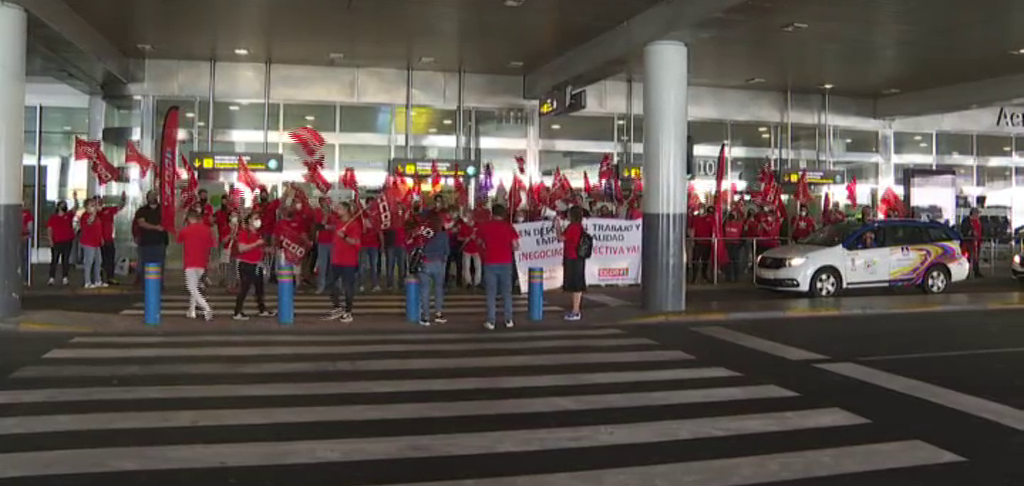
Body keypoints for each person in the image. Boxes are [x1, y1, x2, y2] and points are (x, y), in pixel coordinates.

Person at [477, 204, 520, 330]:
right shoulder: (508, 227)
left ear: (492, 213)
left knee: (491, 293)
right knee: (507, 292)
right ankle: (508, 319)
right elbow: (516, 246)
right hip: (506, 262)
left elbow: (478, 241)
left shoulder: (484, 226)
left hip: (490, 262)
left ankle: (491, 321)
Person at [233, 214, 275, 320]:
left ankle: (262, 309)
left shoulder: (258, 234)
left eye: (258, 218)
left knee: (259, 289)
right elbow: (242, 248)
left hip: (257, 264)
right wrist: (256, 244)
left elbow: (259, 249)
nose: (258, 221)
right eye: (255, 219)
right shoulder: (244, 233)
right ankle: (237, 312)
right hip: (246, 265)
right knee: (244, 289)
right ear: (249, 221)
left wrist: (267, 250)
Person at [324, 202, 361, 322]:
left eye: (339, 208)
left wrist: (344, 236)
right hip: (336, 260)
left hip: (349, 261)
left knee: (348, 287)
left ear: (346, 210)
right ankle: (337, 307)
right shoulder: (338, 222)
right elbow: (326, 221)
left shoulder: (354, 225)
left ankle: (348, 311)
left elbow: (356, 242)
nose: (337, 210)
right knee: (330, 283)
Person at [177, 210, 214, 320]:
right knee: (195, 287)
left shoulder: (186, 230)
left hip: (190, 262)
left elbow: (179, 240)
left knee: (191, 287)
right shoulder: (207, 230)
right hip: (202, 262)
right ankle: (191, 310)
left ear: (188, 219)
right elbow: (210, 245)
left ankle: (207, 308)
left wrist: (181, 224)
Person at [416, 212, 449, 326]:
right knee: (438, 289)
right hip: (439, 264)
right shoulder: (443, 234)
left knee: (425, 290)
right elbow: (447, 251)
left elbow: (418, 246)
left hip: (425, 263)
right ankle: (438, 314)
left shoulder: (424, 233)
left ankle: (425, 317)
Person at [557, 206, 586, 321]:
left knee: (575, 285)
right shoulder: (579, 227)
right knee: (576, 284)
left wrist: (557, 226)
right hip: (577, 258)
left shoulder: (572, 227)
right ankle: (575, 309)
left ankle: (576, 311)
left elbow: (560, 238)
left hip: (572, 258)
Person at [134, 190, 169, 272]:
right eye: (151, 196)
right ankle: (145, 284)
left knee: (159, 265)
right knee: (145, 265)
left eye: (154, 195)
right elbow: (141, 223)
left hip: (160, 241)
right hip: (146, 242)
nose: (153, 197)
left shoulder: (163, 209)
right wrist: (156, 227)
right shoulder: (142, 210)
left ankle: (159, 284)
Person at [46, 196, 77, 286]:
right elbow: (49, 229)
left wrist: (75, 198)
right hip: (57, 241)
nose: (64, 206)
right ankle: (52, 278)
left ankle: (65, 277)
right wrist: (50, 240)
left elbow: (75, 208)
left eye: (65, 205)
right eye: (62, 204)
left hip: (67, 241)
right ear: (58, 207)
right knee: (54, 260)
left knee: (65, 260)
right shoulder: (53, 217)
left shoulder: (69, 215)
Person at [98, 193, 126, 285]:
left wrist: (122, 199)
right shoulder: (94, 214)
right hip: (98, 241)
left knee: (110, 259)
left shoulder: (108, 210)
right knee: (100, 260)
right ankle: (99, 278)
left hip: (109, 239)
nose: (99, 203)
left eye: (100, 201)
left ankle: (110, 277)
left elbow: (119, 207)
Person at [79, 199, 105, 288]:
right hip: (88, 242)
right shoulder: (85, 216)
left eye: (94, 205)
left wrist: (101, 238)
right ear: (86, 207)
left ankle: (98, 280)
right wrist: (94, 213)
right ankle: (87, 281)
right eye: (92, 206)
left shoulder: (96, 217)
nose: (94, 207)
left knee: (98, 261)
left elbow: (98, 227)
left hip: (96, 242)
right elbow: (90, 222)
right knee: (89, 262)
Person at [359, 197, 382, 292]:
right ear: (366, 204)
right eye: (370, 204)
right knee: (362, 266)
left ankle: (375, 284)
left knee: (374, 266)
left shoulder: (377, 217)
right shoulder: (361, 215)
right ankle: (361, 284)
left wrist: (382, 245)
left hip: (374, 245)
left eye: (373, 204)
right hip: (363, 245)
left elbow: (379, 232)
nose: (372, 206)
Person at [313, 196, 335, 293]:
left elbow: (336, 226)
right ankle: (321, 285)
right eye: (324, 201)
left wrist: (327, 226)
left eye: (328, 201)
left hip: (333, 242)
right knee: (322, 265)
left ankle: (332, 284)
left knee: (333, 265)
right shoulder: (318, 212)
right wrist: (326, 217)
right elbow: (319, 226)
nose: (326, 203)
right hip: (322, 242)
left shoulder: (334, 212)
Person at [689, 205, 714, 284]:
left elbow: (713, 230)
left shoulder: (710, 218)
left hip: (707, 243)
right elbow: (693, 229)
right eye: (699, 209)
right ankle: (694, 277)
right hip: (698, 243)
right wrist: (692, 240)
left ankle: (704, 275)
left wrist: (713, 239)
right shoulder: (696, 218)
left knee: (705, 261)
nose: (700, 210)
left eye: (702, 209)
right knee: (695, 260)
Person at [458, 211, 482, 289]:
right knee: (466, 266)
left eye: (467, 216)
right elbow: (459, 237)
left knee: (478, 266)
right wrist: (465, 238)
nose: (466, 218)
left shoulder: (478, 225)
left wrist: (477, 238)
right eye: (465, 216)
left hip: (477, 249)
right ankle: (468, 282)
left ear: (472, 216)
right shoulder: (463, 226)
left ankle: (477, 282)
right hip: (466, 249)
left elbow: (482, 237)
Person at [960, 208, 984, 278]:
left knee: (976, 257)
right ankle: (966, 273)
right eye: (977, 213)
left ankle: (976, 271)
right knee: (968, 258)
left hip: (977, 242)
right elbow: (964, 230)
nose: (978, 215)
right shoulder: (966, 221)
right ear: (973, 213)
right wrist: (970, 233)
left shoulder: (979, 221)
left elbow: (981, 230)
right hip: (969, 242)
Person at [723, 211, 744, 282]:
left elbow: (742, 233)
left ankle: (734, 278)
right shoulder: (726, 224)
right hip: (729, 244)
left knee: (734, 261)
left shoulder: (738, 224)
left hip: (734, 244)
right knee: (729, 261)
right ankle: (730, 277)